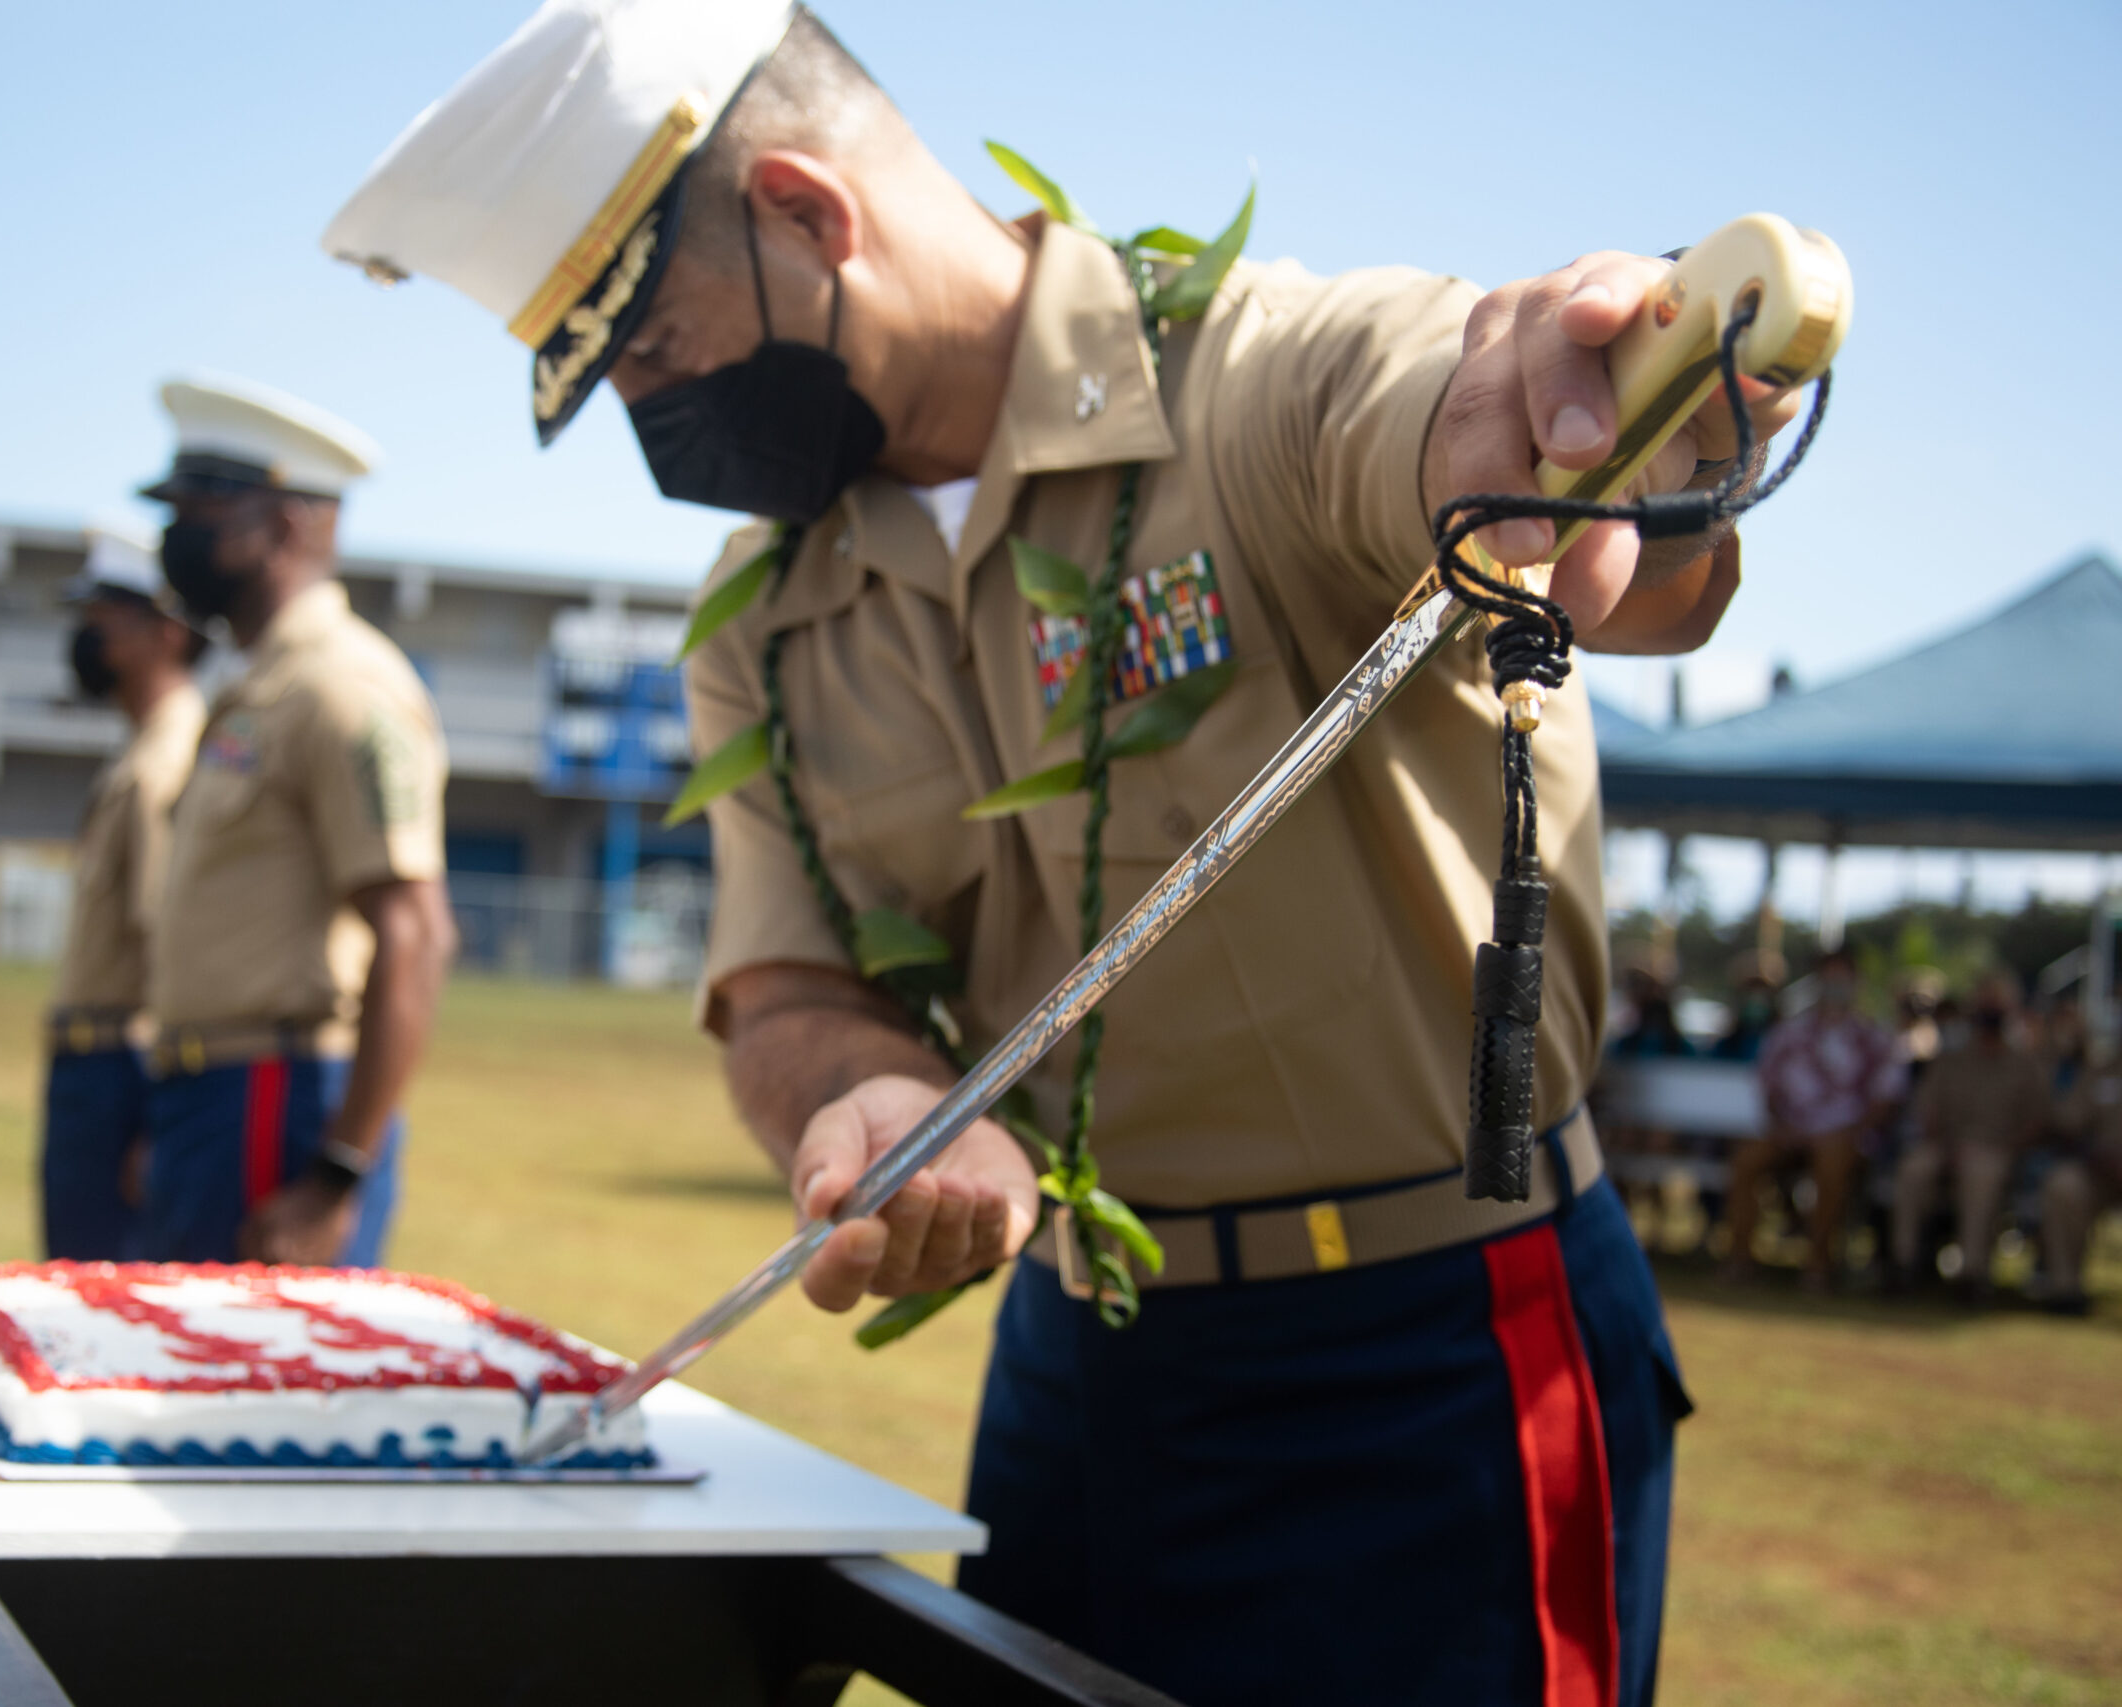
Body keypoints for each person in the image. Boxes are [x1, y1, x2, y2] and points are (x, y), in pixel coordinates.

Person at [321, 5, 1802, 1700]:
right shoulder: (770, 620)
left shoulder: (1242, 377)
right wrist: (858, 1096)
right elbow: (785, 976)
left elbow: (1445, 403)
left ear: (807, 214)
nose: (651, 416)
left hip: (1428, 1355)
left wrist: (1566, 407)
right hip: (1080, 1364)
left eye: (652, 344)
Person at [137, 376, 458, 1267]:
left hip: (276, 1101)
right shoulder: (257, 686)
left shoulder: (341, 687)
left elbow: (417, 933)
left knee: (238, 1390)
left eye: (202, 512)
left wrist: (337, 1176)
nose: (175, 539)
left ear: (286, 524)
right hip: (208, 1094)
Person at [39, 529, 208, 1259]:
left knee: (94, 1295)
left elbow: (169, 950)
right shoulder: (145, 751)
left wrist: (151, 1118)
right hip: (94, 1067)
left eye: (101, 620)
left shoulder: (164, 763)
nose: (85, 639)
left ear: (165, 633)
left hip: (120, 1074)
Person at [1723, 944, 1902, 1287]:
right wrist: (1784, 1127)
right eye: (1827, 977)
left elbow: (1885, 1100)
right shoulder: (1790, 1033)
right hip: (1790, 1131)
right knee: (1746, 1160)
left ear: (1856, 982)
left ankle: (1818, 1266)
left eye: (1841, 977)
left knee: (1831, 1161)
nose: (1834, 985)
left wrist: (1848, 1133)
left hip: (1845, 1138)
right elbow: (1770, 1089)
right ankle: (1740, 1260)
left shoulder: (1875, 1038)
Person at [1891, 975, 2052, 1301]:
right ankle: (1901, 1265)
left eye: (1997, 1004)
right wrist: (1947, 1147)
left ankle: (1972, 1273)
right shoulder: (1951, 1060)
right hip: (1945, 1145)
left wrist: (2007, 1148)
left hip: (1999, 1151)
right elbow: (1928, 1110)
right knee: (1913, 1169)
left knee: (1981, 1171)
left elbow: (2038, 1121)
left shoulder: (2026, 1065)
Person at [2039, 1049, 2121, 1314]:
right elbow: (2067, 1124)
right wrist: (2096, 1155)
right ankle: (2065, 1289)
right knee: (2063, 1185)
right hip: (2102, 1173)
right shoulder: (2102, 1072)